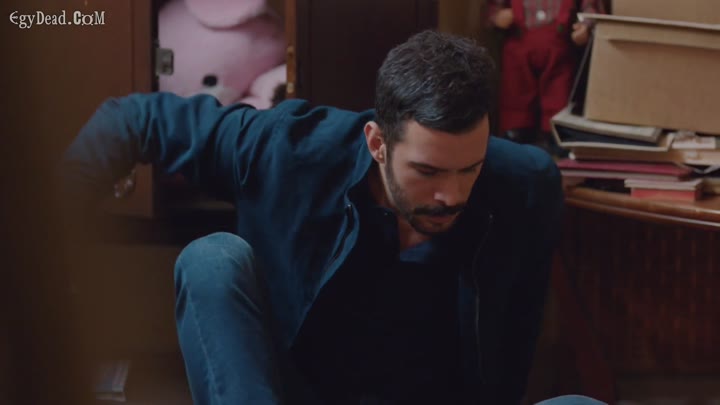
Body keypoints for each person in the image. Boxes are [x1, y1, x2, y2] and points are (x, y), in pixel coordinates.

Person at [60, 30, 602, 405]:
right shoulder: (285, 149)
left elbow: (514, 343)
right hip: (300, 393)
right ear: (377, 143)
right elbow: (132, 119)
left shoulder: (525, 185)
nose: (450, 195)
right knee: (212, 259)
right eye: (428, 171)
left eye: (470, 169)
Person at [487, 0, 606, 154]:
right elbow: (494, 6)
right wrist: (496, 15)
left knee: (559, 90)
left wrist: (586, 25)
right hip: (519, 42)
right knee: (516, 89)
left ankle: (554, 130)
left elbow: (590, 6)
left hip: (558, 47)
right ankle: (517, 128)